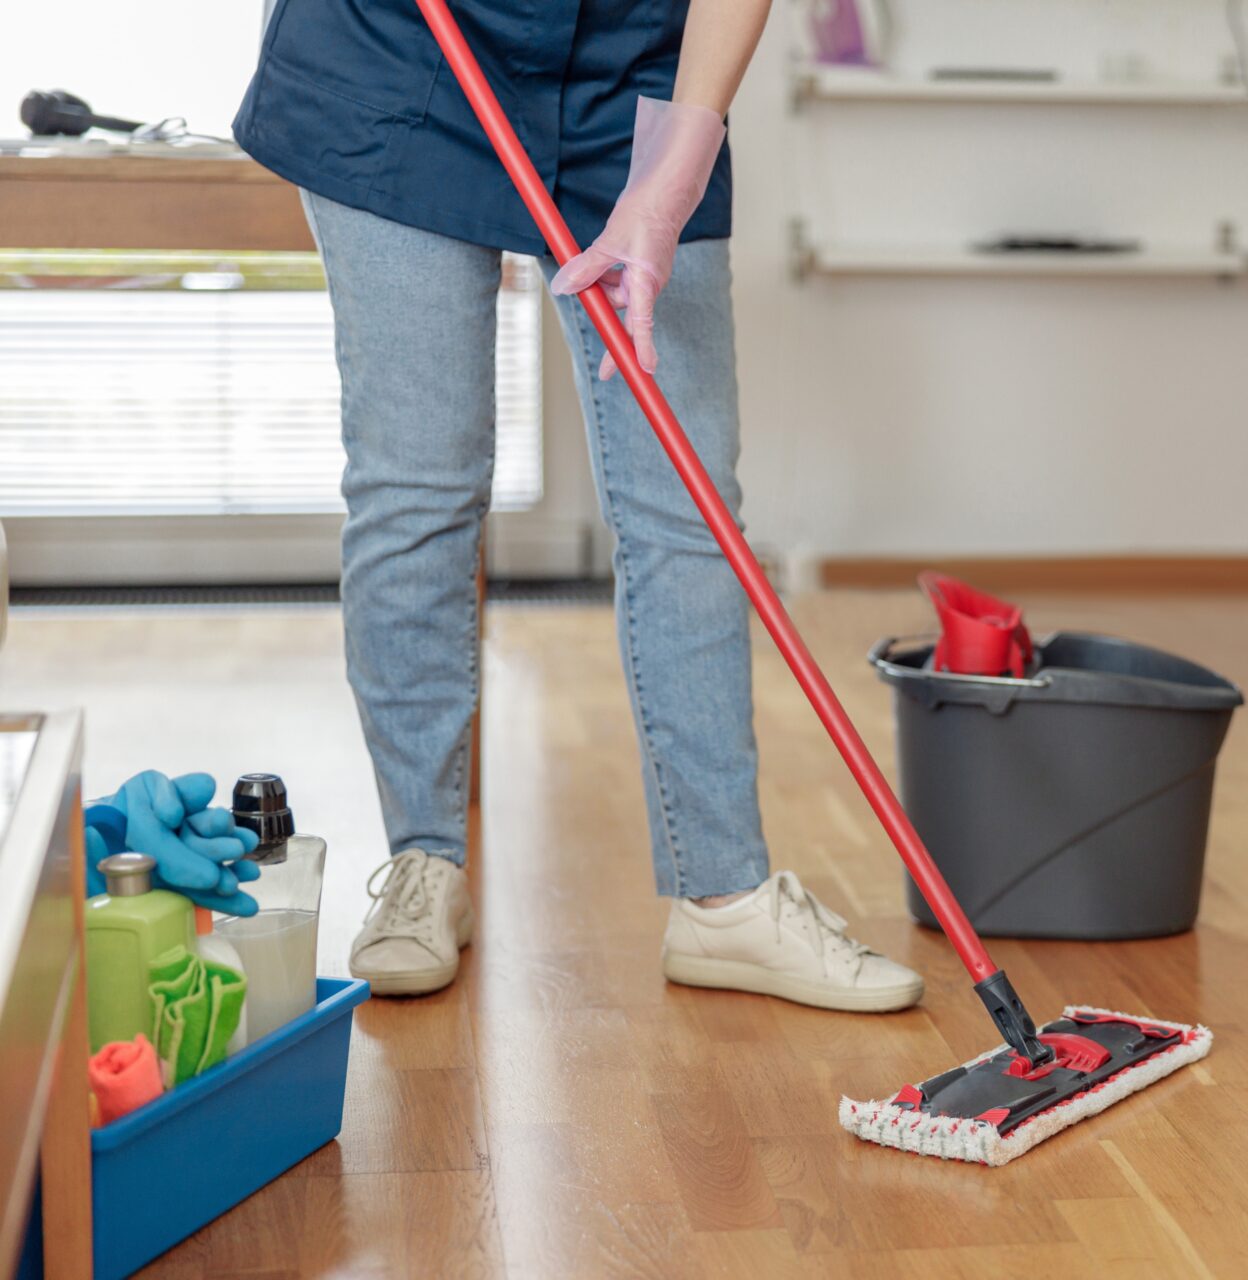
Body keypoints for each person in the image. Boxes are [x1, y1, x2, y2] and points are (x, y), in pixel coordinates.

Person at [230, 0, 922, 1011]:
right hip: (404, 59)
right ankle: (424, 863)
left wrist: (675, 166)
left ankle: (722, 895)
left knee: (687, 498)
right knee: (417, 485)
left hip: (633, 77)